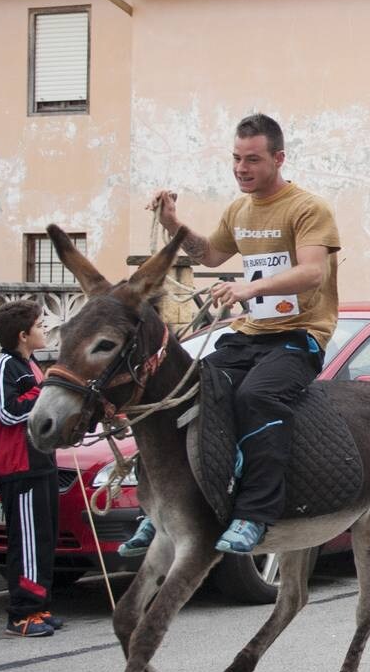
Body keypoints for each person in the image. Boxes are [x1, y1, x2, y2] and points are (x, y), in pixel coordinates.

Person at [125, 113, 342, 557]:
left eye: (253, 160)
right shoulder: (239, 209)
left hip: (299, 335)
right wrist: (172, 224)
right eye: (236, 159)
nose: (242, 168)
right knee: (185, 393)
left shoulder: (308, 208)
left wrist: (251, 287)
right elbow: (209, 252)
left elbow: (312, 272)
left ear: (278, 159)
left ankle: (256, 515)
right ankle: (159, 508)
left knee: (256, 397)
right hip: (249, 332)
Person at [0, 300, 61, 638]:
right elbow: (6, 413)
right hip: (20, 467)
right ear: (22, 334)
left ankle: (40, 604)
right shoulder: (5, 365)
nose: (45, 328)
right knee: (27, 541)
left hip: (42, 463)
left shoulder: (32, 364)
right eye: (39, 324)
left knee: (44, 539)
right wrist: (46, 397)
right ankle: (21, 613)